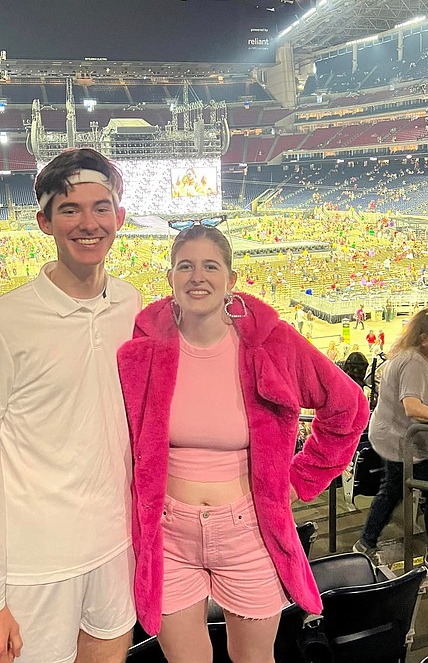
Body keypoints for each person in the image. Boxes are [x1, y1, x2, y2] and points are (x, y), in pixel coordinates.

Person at [117, 224, 369, 660]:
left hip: (248, 530)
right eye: (186, 267)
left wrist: (297, 480)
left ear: (231, 280)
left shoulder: (272, 345)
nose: (198, 277)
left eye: (210, 266)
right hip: (168, 534)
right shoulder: (142, 351)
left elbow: (348, 408)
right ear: (171, 278)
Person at [0, 148, 141, 663]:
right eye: (69, 209)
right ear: (44, 221)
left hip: (114, 548)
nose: (88, 223)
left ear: (120, 218)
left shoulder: (131, 305)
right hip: (35, 568)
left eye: (101, 208)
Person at [354, 308, 428, 583]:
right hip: (399, 441)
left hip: (406, 441)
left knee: (392, 490)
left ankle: (365, 544)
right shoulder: (413, 363)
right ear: (424, 338)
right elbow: (412, 406)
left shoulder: (425, 359)